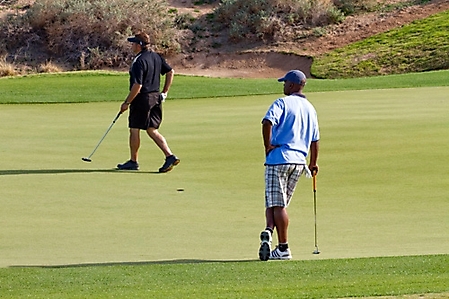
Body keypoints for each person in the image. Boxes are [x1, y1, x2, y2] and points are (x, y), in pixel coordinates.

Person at [258, 70, 320, 261]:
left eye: (285, 83)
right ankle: (269, 230)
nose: (283, 85)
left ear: (292, 85)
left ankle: (283, 248)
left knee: (278, 204)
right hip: (299, 162)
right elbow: (315, 140)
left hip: (279, 158)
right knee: (274, 201)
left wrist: (268, 146)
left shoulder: (282, 103)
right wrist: (313, 163)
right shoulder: (310, 108)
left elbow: (267, 122)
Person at [117, 32, 180, 173]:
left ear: (139, 45)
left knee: (134, 128)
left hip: (142, 99)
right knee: (152, 129)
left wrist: (127, 103)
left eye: (133, 43)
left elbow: (137, 85)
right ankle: (169, 156)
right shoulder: (156, 56)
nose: (132, 45)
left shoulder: (139, 61)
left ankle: (133, 161)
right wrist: (164, 92)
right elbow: (170, 72)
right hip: (156, 98)